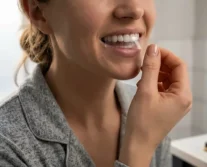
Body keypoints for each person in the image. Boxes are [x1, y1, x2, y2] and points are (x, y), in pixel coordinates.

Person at [0, 0, 192, 166]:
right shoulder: (7, 143)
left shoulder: (151, 111)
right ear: (39, 12)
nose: (135, 9)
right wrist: (139, 146)